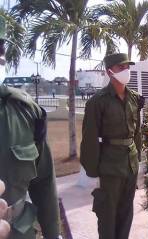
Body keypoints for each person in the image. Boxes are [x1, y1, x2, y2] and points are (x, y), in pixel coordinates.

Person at [0, 16, 61, 239]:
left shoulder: (26, 111)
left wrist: (54, 234)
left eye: (0, 47)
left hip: (19, 230)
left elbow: (44, 181)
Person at [80, 53, 144, 239]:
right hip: (110, 165)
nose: (126, 71)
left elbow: (137, 131)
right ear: (110, 72)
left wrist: (137, 157)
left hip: (130, 163)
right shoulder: (98, 101)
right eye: (121, 68)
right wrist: (92, 172)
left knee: (126, 211)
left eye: (127, 67)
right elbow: (90, 138)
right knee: (108, 213)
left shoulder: (134, 98)